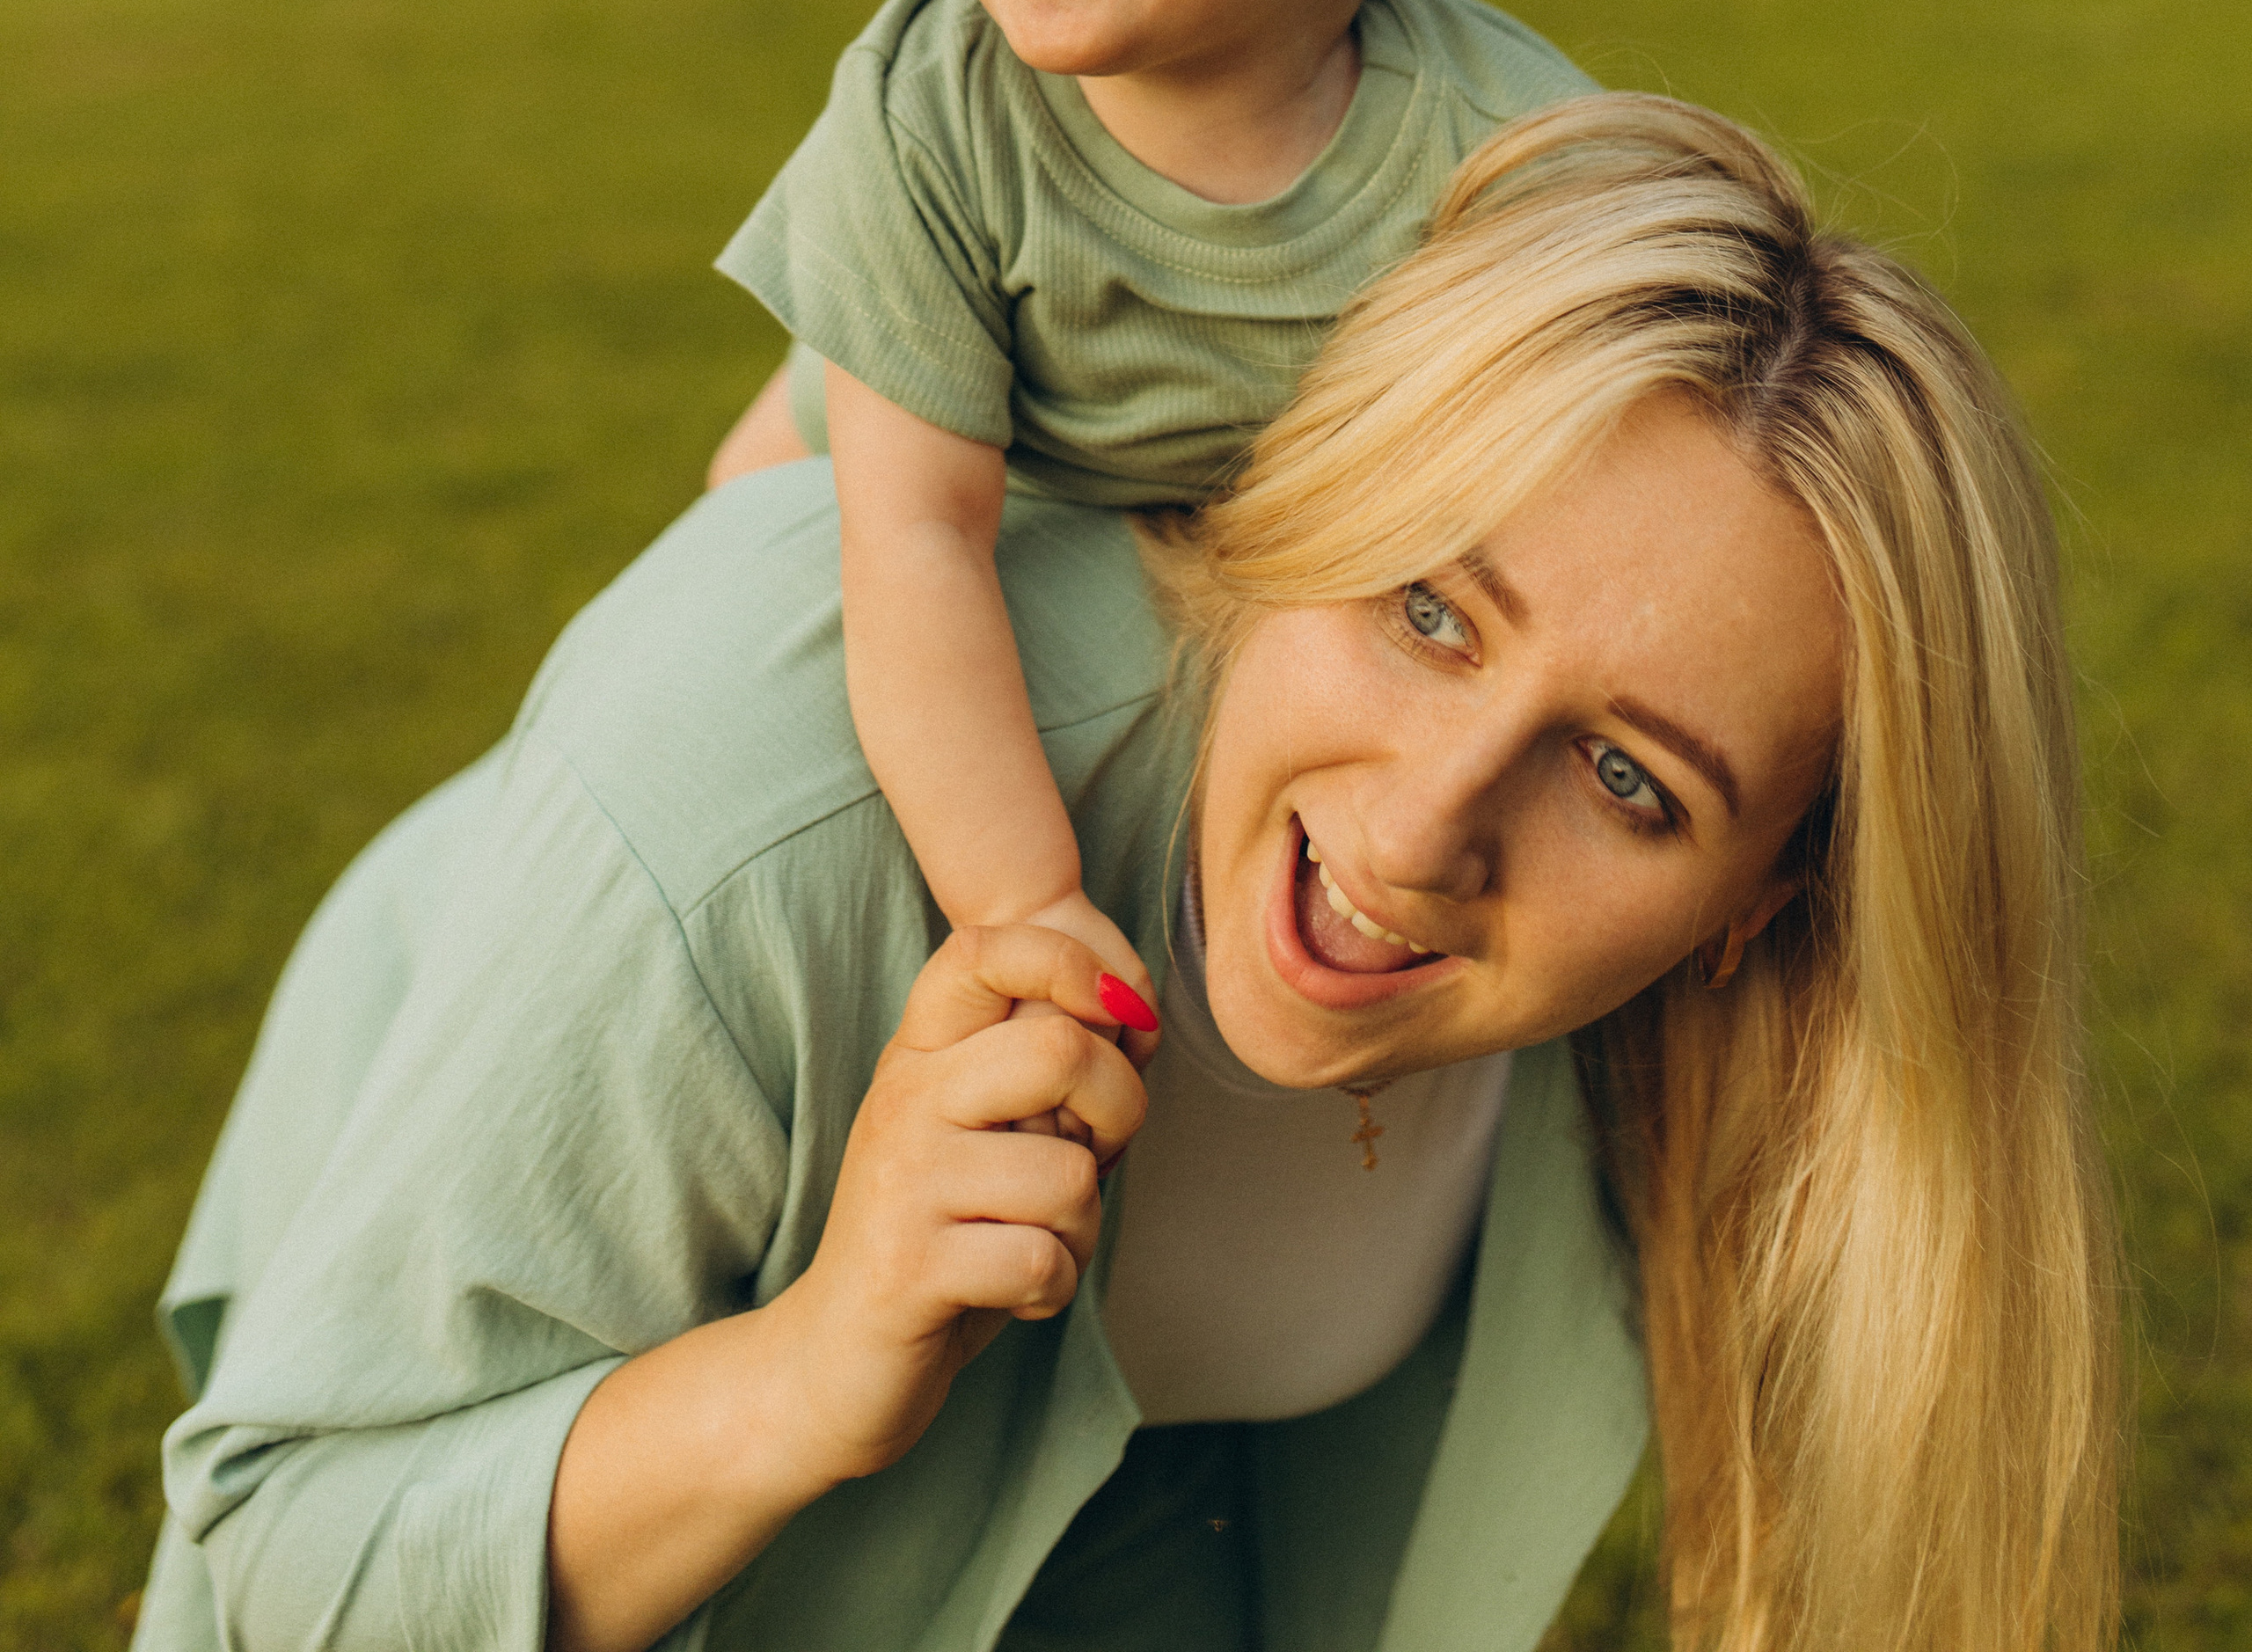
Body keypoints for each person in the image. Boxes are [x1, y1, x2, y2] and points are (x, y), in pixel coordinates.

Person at [138, 98, 2116, 1652]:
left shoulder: (1686, 1061)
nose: (1426, 828)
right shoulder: (755, 799)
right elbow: (301, 1572)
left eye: (1625, 778)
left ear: (1767, 902)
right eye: (1423, 607)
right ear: (1299, 503)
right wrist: (820, 1364)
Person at [713, 0, 1586, 1014]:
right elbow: (912, 537)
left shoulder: (1501, 165)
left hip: (1215, 531)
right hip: (897, 442)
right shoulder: (934, 110)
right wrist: (1023, 907)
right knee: (740, 566)